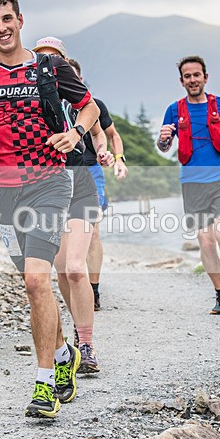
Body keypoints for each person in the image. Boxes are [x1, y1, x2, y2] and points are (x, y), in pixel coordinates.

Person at [0, 0, 100, 419]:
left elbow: (88, 108)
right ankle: (62, 355)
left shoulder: (50, 67)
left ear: (20, 20)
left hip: (50, 184)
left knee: (38, 281)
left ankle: (42, 387)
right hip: (3, 191)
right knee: (32, 286)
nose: (1, 28)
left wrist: (74, 134)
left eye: (7, 19)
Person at [32, 38, 114, 375]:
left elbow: (99, 127)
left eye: (55, 60)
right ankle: (72, 334)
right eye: (43, 59)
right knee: (62, 269)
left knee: (75, 268)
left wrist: (108, 153)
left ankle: (86, 344)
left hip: (79, 181)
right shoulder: (27, 96)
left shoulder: (78, 97)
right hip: (43, 186)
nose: (49, 65)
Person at [157, 55, 220, 315]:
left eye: (197, 75)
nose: (193, 79)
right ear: (182, 81)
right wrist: (163, 139)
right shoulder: (174, 110)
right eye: (188, 76)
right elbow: (163, 146)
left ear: (205, 77)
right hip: (192, 184)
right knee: (206, 242)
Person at [66, 58, 128, 311]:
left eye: (72, 77)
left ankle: (93, 289)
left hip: (90, 170)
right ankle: (72, 282)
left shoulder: (94, 106)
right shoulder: (47, 104)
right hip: (58, 173)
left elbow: (110, 135)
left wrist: (118, 158)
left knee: (92, 232)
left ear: (79, 80)